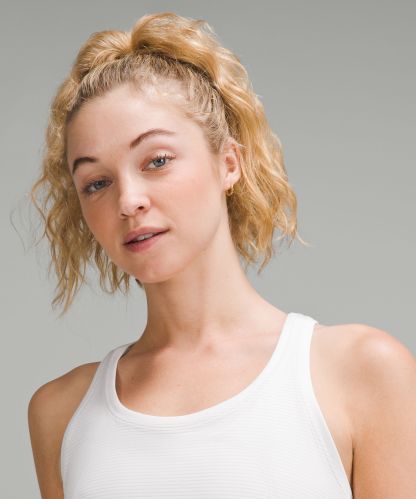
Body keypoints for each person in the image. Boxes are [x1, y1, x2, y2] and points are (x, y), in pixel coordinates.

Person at [27, 11, 416, 499]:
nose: (128, 201)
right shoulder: (61, 413)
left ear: (229, 163)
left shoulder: (360, 372)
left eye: (157, 161)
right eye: (96, 182)